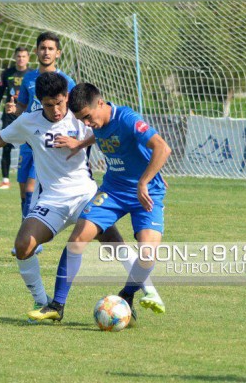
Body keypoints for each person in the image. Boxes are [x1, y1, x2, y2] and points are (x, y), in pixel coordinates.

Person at [0, 72, 121, 319]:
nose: (56, 110)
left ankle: (141, 290)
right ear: (39, 102)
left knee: (114, 242)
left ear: (67, 97)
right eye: (48, 105)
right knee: (23, 246)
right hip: (52, 200)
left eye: (60, 103)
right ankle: (44, 302)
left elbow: (110, 132)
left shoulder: (81, 117)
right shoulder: (28, 122)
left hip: (84, 195)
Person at [29, 82, 171, 323]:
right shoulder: (97, 121)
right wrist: (79, 143)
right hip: (113, 191)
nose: (86, 124)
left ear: (101, 104)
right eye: (81, 120)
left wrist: (144, 181)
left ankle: (126, 296)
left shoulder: (127, 118)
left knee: (147, 253)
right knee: (77, 239)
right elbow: (100, 131)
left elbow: (162, 148)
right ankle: (57, 305)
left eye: (87, 117)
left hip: (146, 193)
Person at [5, 31, 75, 256]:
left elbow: (72, 112)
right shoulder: (28, 79)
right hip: (28, 141)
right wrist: (14, 110)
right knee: (23, 191)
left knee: (32, 188)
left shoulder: (66, 81)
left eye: (50, 48)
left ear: (58, 53)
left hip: (48, 143)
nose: (46, 52)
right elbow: (24, 110)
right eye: (43, 48)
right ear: (36, 51)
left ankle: (34, 239)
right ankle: (27, 236)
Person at [0, 46, 32, 189]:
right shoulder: (7, 73)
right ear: (15, 57)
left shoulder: (32, 74)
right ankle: (5, 180)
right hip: (9, 115)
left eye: (24, 56)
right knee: (5, 145)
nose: (21, 59)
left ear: (28, 58)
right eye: (19, 56)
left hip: (26, 114)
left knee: (31, 145)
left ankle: (32, 177)